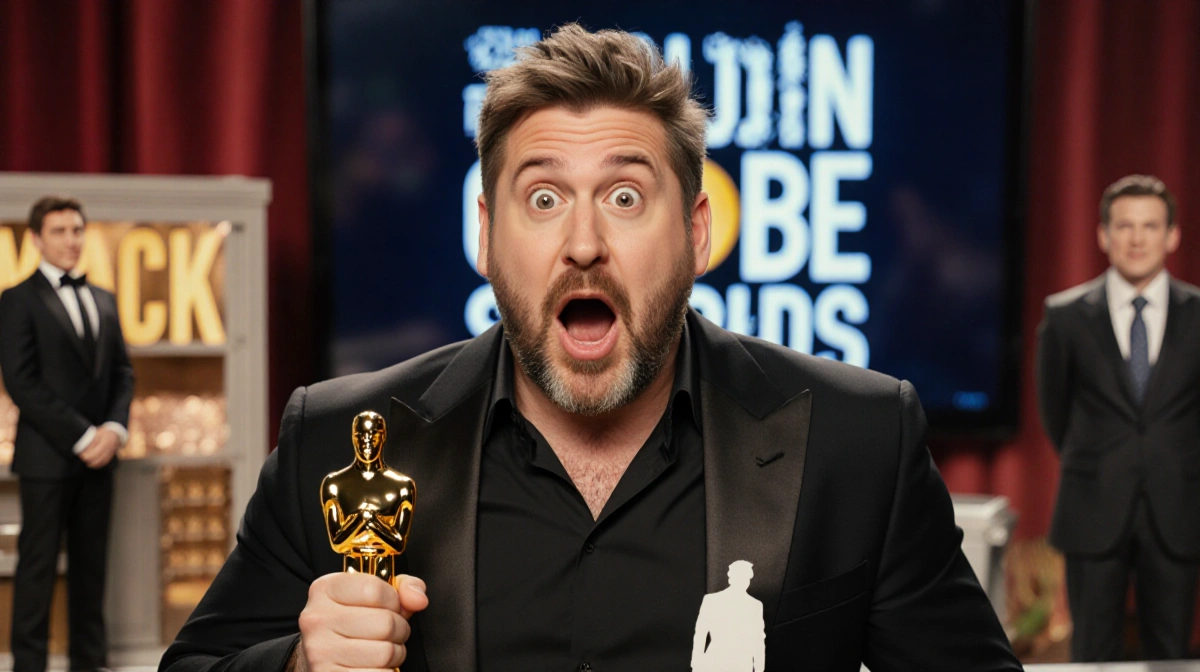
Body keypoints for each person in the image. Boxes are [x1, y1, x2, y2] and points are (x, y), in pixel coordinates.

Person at [161, 25, 1019, 672]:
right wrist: (300, 665)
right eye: (541, 199)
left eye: (623, 195)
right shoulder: (337, 438)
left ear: (697, 233)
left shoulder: (857, 438)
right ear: (486, 238)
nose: (581, 243)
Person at [1037, 174, 1200, 661]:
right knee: (1091, 654)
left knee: (1171, 652)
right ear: (1103, 235)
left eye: (1149, 226)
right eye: (1124, 226)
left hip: (1179, 509)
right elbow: (1054, 411)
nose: (1136, 238)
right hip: (1092, 507)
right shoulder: (1064, 316)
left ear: (1171, 235)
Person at [0, 197, 134, 672]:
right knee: (36, 570)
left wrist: (115, 430)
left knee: (91, 570)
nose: (70, 240)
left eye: (77, 230)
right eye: (59, 231)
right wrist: (84, 437)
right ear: (36, 238)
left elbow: (123, 373)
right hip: (47, 457)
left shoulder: (105, 298)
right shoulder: (16, 299)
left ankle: (88, 663)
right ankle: (29, 666)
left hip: (102, 458)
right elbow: (21, 382)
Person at [691, 561, 765, 672]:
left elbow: (758, 640)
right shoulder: (711, 600)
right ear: (732, 578)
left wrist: (759, 669)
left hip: (740, 663)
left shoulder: (755, 605)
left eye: (748, 578)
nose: (746, 582)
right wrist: (696, 663)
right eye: (743, 577)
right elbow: (701, 634)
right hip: (716, 661)